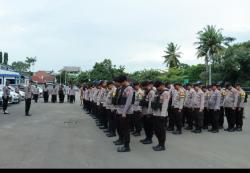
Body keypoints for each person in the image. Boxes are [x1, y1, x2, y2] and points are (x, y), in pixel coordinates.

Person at [116, 75, 134, 152]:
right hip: (121, 111)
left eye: (120, 82)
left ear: (124, 81)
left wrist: (124, 113)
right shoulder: (122, 88)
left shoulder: (129, 88)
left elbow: (128, 102)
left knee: (126, 129)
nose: (119, 84)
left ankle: (127, 147)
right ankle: (123, 142)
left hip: (126, 112)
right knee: (122, 128)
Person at [152, 81, 170, 151]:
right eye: (156, 87)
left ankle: (162, 145)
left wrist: (162, 115)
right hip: (156, 114)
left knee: (161, 131)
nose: (157, 88)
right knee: (157, 130)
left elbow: (165, 104)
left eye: (158, 87)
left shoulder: (166, 93)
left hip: (162, 115)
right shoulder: (157, 92)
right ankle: (159, 143)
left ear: (162, 85)